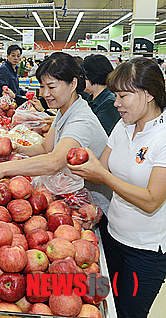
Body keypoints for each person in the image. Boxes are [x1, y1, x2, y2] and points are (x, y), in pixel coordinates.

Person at [68, 57, 166, 318]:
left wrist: (102, 174)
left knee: (127, 313)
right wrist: (85, 161)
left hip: (144, 252)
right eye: (115, 95)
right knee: (102, 303)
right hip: (110, 237)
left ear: (148, 94)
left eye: (123, 96)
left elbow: (151, 200)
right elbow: (101, 171)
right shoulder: (123, 127)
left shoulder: (163, 137)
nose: (116, 103)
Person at [0, 52, 108, 188]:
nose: (45, 94)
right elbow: (45, 148)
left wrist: (1, 169)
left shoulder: (81, 121)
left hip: (89, 203)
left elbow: (54, 162)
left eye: (51, 87)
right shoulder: (65, 111)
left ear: (73, 84)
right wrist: (19, 149)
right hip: (70, 193)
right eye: (42, 86)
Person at [80, 54, 120, 136]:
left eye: (84, 78)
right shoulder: (91, 99)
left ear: (91, 76)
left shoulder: (109, 103)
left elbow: (98, 134)